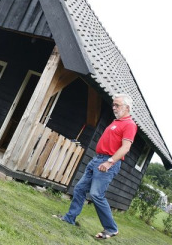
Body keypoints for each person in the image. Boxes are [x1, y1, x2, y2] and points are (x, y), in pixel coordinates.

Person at [54, 93, 137, 240]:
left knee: (96, 194)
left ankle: (111, 228)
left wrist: (109, 162)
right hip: (97, 160)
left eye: (117, 105)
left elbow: (125, 148)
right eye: (113, 104)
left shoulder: (130, 124)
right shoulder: (116, 122)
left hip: (107, 162)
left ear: (127, 107)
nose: (114, 107)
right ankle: (69, 218)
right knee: (79, 188)